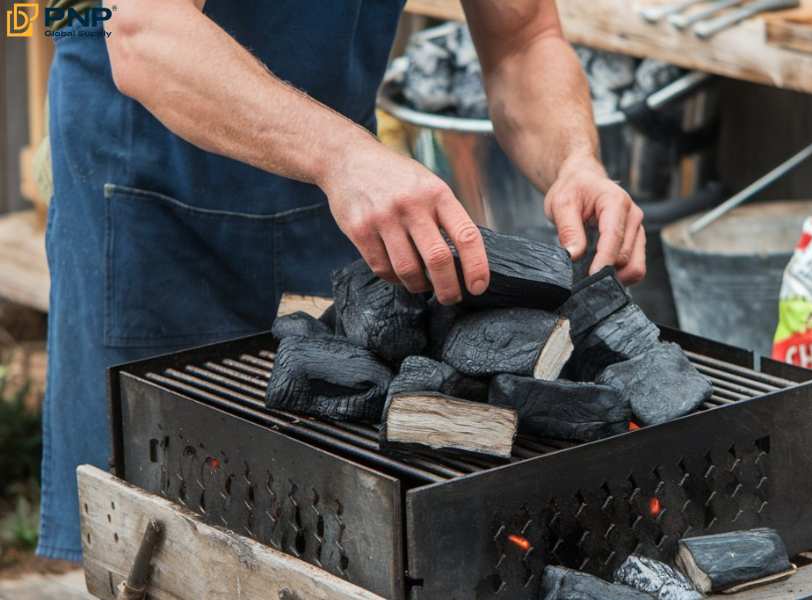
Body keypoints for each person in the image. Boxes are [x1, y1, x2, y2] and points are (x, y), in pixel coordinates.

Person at [38, 0, 645, 561]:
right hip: (156, 196)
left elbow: (522, 39)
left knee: (327, 539)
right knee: (163, 539)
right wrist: (343, 157)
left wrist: (574, 161)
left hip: (338, 193)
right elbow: (143, 30)